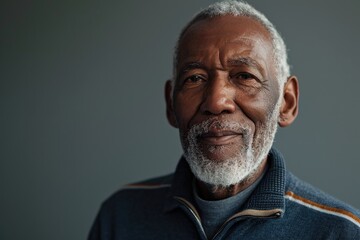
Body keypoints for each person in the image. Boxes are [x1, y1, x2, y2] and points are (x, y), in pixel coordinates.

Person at [88, 1, 360, 239]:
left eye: (245, 76)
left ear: (286, 103)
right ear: (171, 104)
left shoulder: (339, 232)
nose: (216, 102)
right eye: (194, 78)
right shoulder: (120, 217)